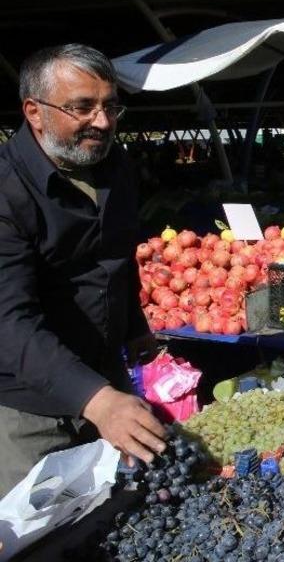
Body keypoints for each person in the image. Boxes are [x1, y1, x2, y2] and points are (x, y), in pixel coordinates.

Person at [0, 44, 167, 496]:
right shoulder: (7, 190)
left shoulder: (114, 165)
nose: (103, 121)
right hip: (29, 406)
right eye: (82, 107)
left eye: (111, 106)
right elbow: (7, 323)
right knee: (43, 533)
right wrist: (94, 399)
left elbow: (116, 258)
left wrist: (135, 327)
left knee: (121, 516)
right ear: (34, 112)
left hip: (106, 375)